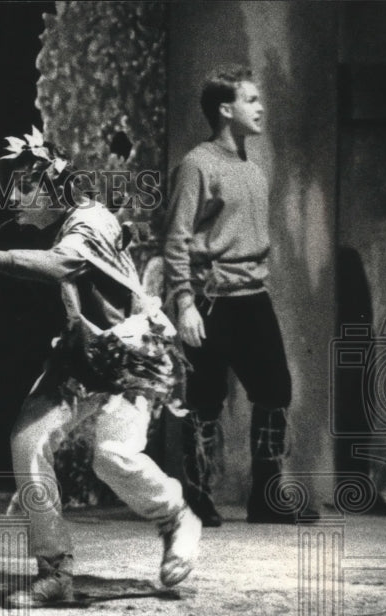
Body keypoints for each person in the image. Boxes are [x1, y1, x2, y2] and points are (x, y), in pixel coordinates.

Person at [0, 130, 201, 607]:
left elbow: (62, 265)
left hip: (129, 353)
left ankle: (176, 516)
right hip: (81, 357)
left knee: (112, 456)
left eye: (23, 186)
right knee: (29, 440)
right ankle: (54, 570)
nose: (13, 196)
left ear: (52, 186)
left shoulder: (91, 219)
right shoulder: (26, 226)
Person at [164, 65, 300, 526]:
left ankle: (267, 497)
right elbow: (177, 239)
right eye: (251, 99)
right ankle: (198, 495)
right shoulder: (197, 165)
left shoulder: (253, 169)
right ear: (226, 109)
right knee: (204, 398)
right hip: (209, 299)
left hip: (252, 297)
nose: (261, 107)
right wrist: (184, 302)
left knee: (275, 390)